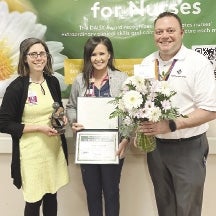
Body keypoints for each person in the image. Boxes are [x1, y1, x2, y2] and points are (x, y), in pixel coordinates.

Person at [138, 11, 216, 216]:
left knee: (187, 209)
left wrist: (172, 124)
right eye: (159, 31)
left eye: (170, 30)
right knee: (165, 208)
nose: (165, 36)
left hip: (188, 148)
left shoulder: (198, 63)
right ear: (154, 35)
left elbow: (210, 110)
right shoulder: (146, 64)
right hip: (156, 148)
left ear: (182, 32)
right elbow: (138, 103)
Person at [0, 38, 69, 216]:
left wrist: (62, 117)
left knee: (52, 196)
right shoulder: (16, 88)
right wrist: (38, 128)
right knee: (33, 200)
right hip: (31, 155)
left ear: (47, 56)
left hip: (53, 150)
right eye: (33, 54)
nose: (39, 58)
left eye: (42, 53)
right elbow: (3, 123)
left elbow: (57, 108)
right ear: (25, 58)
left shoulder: (52, 82)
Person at [66, 36, 130, 216]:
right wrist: (74, 121)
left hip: (113, 146)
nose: (98, 58)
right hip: (88, 146)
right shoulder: (80, 80)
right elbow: (71, 107)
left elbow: (129, 112)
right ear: (88, 57)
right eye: (93, 54)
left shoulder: (121, 78)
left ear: (109, 55)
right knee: (92, 193)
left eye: (102, 53)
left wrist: (125, 139)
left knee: (111, 192)